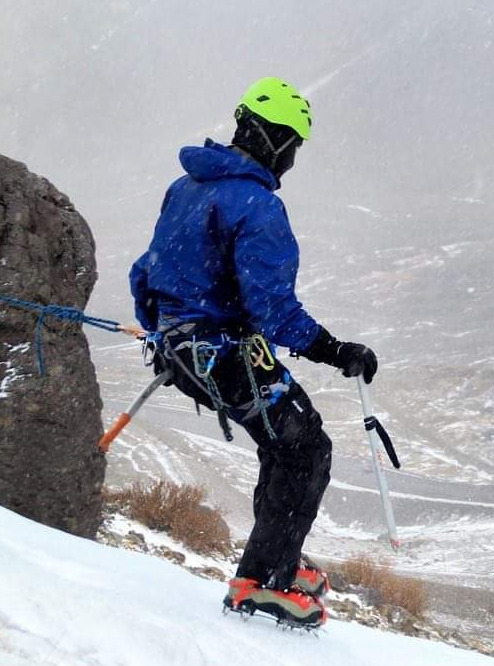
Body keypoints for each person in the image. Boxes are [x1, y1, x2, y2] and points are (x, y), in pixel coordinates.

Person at [129, 77, 377, 627]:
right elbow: (272, 309)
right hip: (222, 353)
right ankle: (262, 582)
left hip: (182, 348)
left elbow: (148, 270)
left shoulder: (185, 186)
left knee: (285, 440)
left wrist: (162, 335)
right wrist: (337, 351)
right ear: (275, 140)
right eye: (293, 146)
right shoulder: (256, 206)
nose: (292, 160)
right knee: (305, 451)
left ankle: (277, 558)